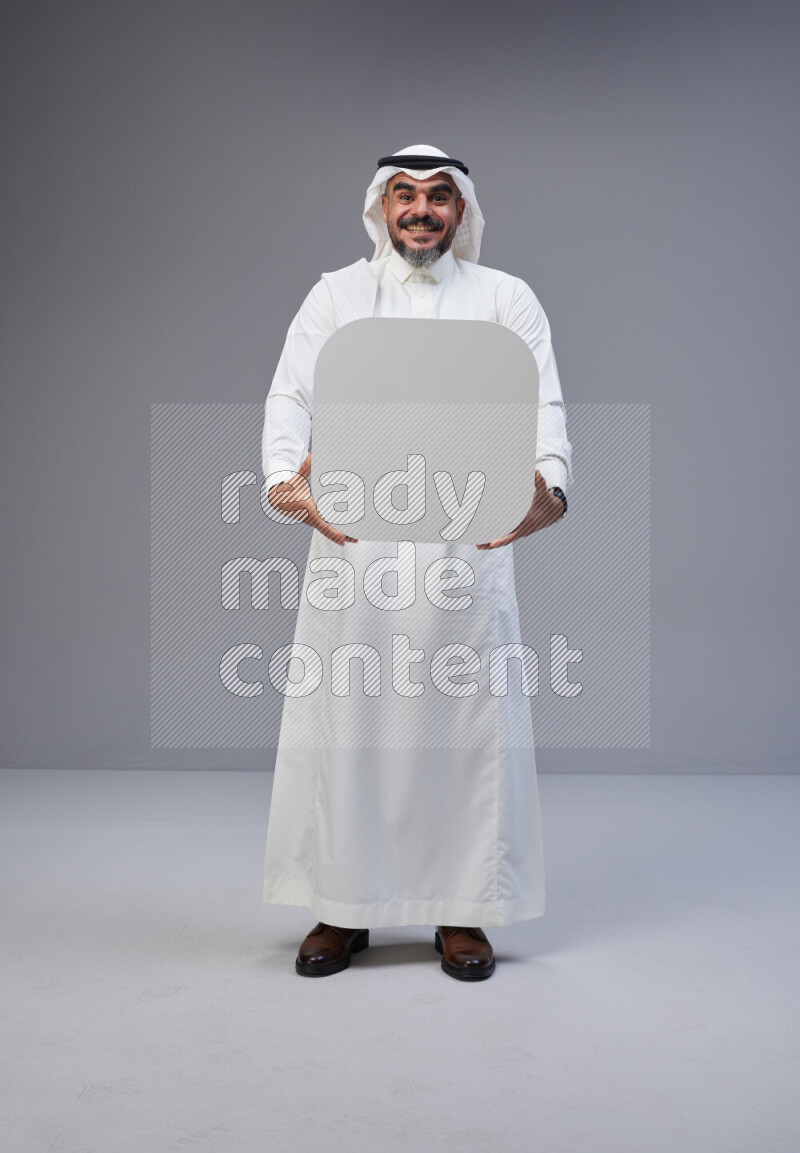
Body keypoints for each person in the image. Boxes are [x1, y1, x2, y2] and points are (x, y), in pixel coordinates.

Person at [261, 144, 572, 981]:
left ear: (462, 209)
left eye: (439, 196)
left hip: (464, 552)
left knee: (464, 734)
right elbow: (291, 394)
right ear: (381, 206)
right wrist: (288, 482)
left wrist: (548, 486)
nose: (422, 210)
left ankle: (464, 912)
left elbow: (541, 403)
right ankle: (342, 906)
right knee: (348, 728)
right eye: (405, 195)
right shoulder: (336, 296)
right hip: (355, 550)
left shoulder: (507, 298)